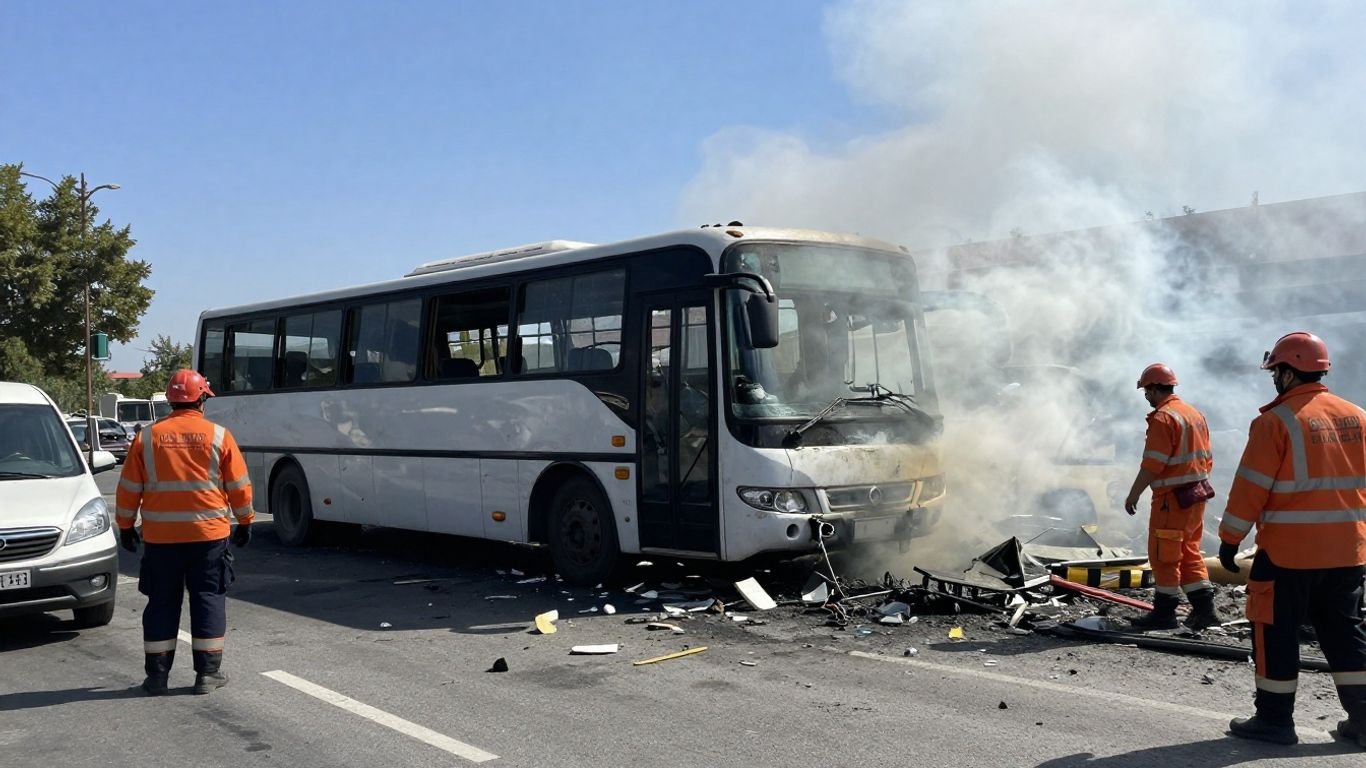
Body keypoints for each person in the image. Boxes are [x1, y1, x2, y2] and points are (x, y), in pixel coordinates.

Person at [1217, 332, 1366, 748]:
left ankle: (1275, 722)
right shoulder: (1358, 416)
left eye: (1275, 371)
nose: (1273, 380)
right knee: (1344, 632)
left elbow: (1250, 488)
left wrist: (1230, 540)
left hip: (1288, 556)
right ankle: (1364, 719)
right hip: (1347, 553)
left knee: (1274, 631)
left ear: (1287, 371)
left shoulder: (1275, 422)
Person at [115, 369, 254, 696]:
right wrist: (246, 522)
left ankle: (157, 678)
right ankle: (207, 675)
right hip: (208, 537)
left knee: (162, 602)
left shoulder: (146, 437)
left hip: (161, 539)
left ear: (170, 400)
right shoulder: (219, 436)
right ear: (202, 398)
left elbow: (128, 489)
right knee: (208, 599)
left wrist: (125, 527)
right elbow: (239, 487)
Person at [1124, 363, 1219, 631]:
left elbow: (1153, 464)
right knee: (1189, 552)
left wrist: (1133, 494)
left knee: (1164, 555)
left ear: (1154, 389)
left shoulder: (1163, 418)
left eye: (1146, 391)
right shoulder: (1194, 414)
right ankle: (1205, 611)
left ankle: (1164, 614)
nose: (1146, 396)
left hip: (1171, 500)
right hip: (1196, 496)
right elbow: (1207, 457)